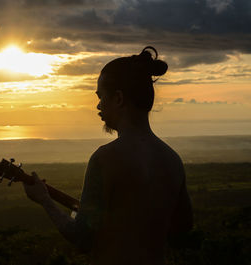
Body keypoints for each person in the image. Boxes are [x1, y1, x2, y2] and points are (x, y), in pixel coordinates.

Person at [23, 46, 193, 265]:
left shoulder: (106, 159)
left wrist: (45, 200)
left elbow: (82, 238)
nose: (98, 106)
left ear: (119, 98)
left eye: (101, 96)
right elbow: (183, 228)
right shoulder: (172, 159)